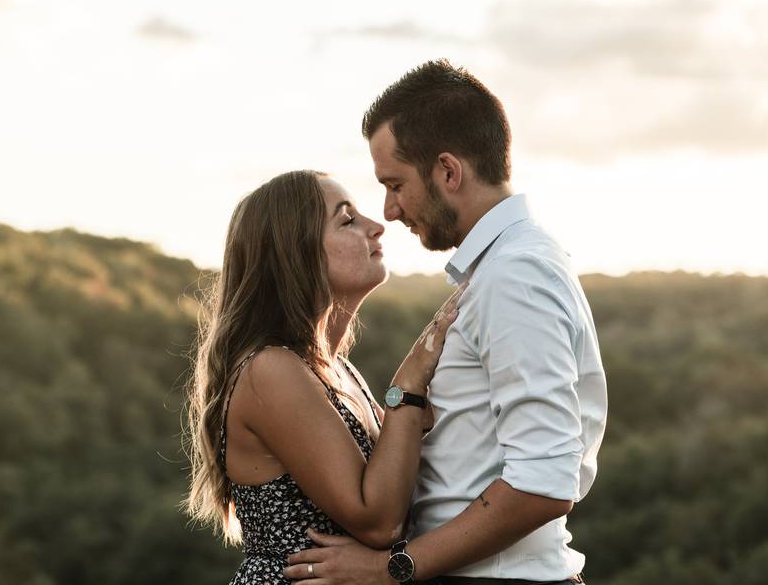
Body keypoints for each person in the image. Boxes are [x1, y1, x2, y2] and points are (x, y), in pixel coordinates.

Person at [285, 60, 607, 584]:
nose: (389, 210)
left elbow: (543, 481)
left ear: (448, 171)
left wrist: (391, 571)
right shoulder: (501, 269)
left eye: (395, 184)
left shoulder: (515, 274)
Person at [183, 170, 464, 585]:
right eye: (347, 220)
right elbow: (379, 522)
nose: (376, 225)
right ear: (297, 254)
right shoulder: (270, 370)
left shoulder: (336, 369)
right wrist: (407, 387)